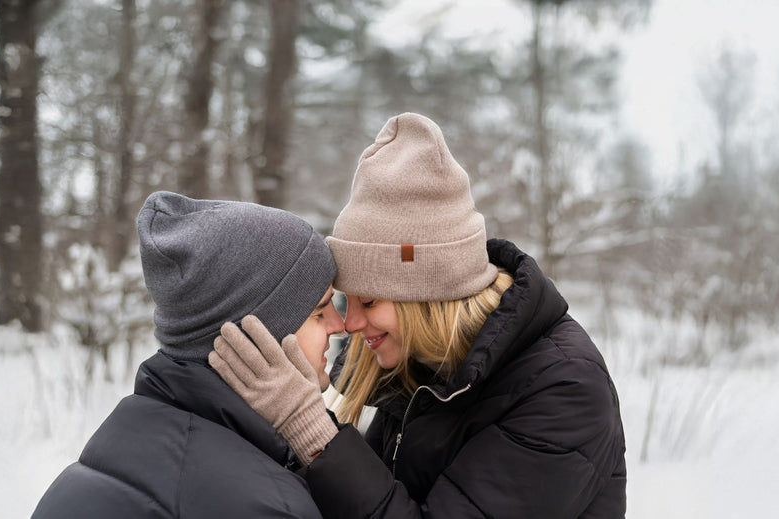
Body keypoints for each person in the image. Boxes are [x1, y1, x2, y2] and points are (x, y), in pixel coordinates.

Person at [210, 113, 627, 518]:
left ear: (429, 297)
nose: (350, 324)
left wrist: (309, 427)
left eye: (369, 302)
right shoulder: (424, 365)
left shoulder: (562, 391)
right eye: (346, 301)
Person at [33, 192, 345, 518]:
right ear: (254, 337)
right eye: (321, 311)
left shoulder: (118, 444)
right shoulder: (264, 505)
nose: (341, 326)